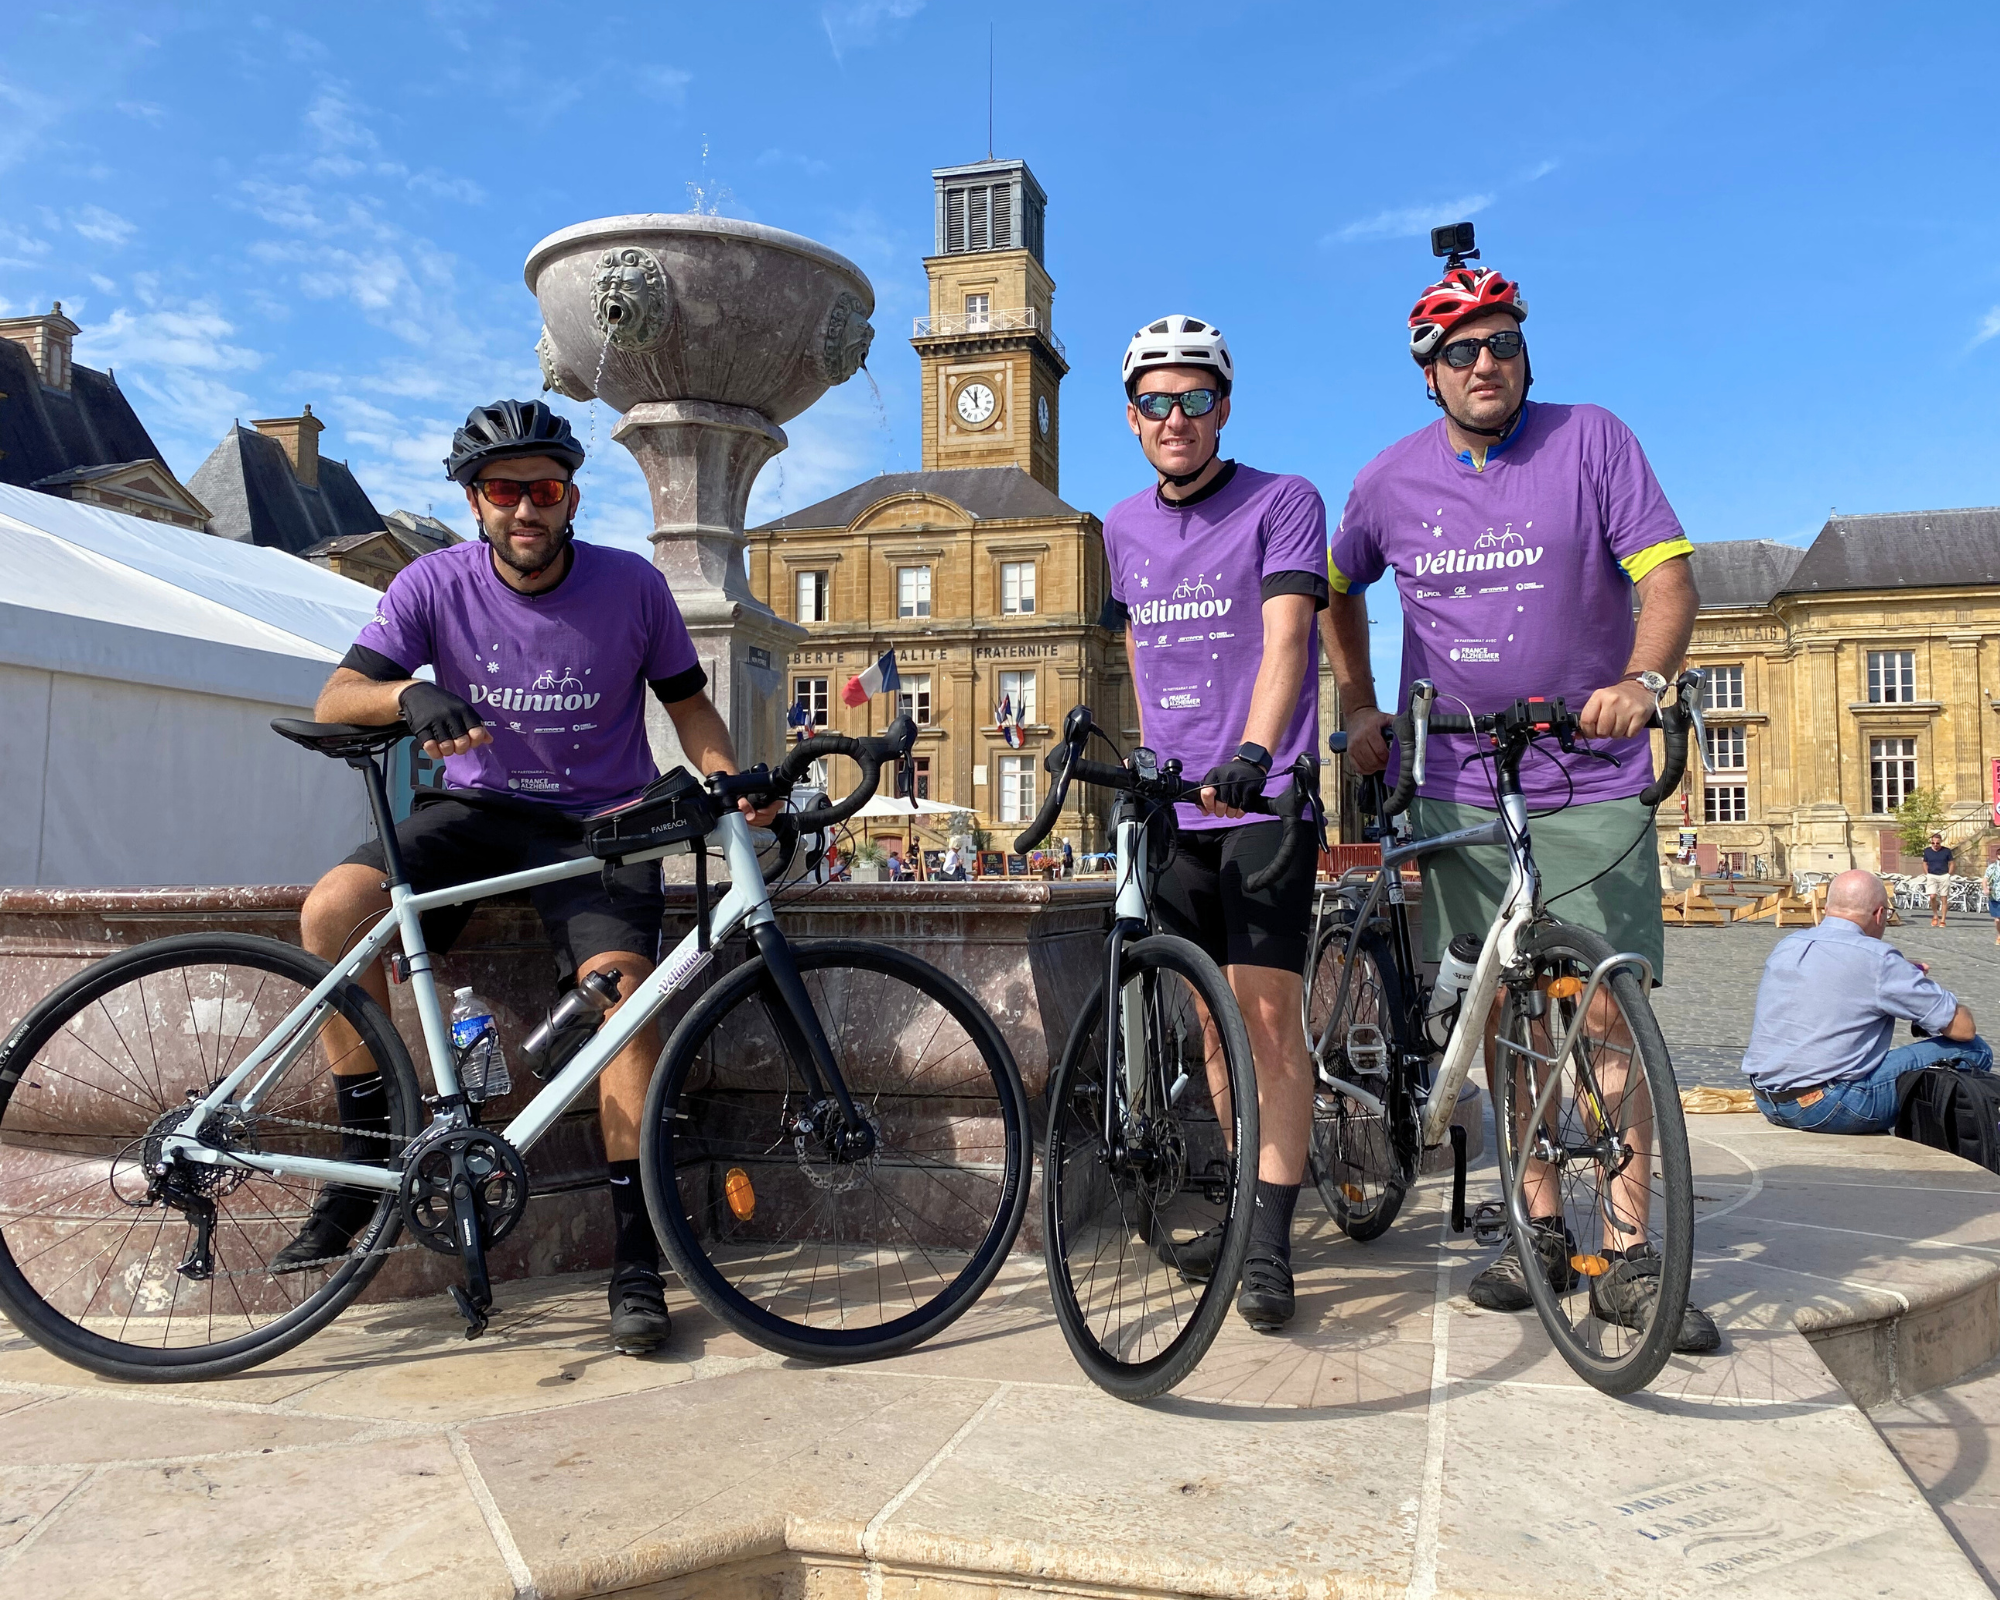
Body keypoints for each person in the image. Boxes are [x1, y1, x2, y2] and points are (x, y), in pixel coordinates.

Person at [289, 398, 778, 1356]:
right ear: (475, 500)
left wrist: (730, 791)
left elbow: (691, 710)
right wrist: (411, 692)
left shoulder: (632, 587)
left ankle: (637, 1258)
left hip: (599, 830)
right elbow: (337, 700)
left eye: (543, 489)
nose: (525, 508)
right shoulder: (432, 581)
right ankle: (360, 1159)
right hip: (475, 817)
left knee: (628, 1003)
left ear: (571, 498)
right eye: (504, 490)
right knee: (333, 910)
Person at [1323, 250, 1721, 1354]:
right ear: (1428, 373)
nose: (1484, 361)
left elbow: (1665, 578)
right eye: (1461, 350)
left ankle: (1632, 1254)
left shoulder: (1589, 438)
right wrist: (1359, 701)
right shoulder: (1386, 479)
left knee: (1601, 1011)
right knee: (1501, 1013)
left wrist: (1641, 683)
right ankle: (1537, 1226)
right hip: (1454, 774)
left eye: (1501, 341)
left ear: (1523, 350)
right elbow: (1330, 587)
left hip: (1583, 773)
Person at [1102, 314, 1329, 1332]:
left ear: (1222, 408)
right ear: (1132, 417)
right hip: (1171, 807)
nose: (1175, 417)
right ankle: (1243, 1199)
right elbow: (1140, 663)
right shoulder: (1117, 528)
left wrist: (1254, 747)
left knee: (1267, 1015)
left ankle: (1270, 1239)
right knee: (1206, 1019)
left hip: (1261, 796)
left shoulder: (1282, 501)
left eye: (1194, 398)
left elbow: (1288, 636)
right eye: (1155, 401)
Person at [1744, 870, 1991, 1132]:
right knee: (1975, 1050)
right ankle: (1938, 1132)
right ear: (1880, 914)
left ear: (1828, 908)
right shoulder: (1879, 959)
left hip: (1768, 1100)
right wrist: (1927, 989)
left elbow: (1843, 976)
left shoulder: (1789, 944)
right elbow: (1963, 1029)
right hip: (1829, 1107)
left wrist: (1901, 971)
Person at [1922, 832, 1955, 927]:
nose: (1935, 845)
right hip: (1932, 875)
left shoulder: (1946, 851)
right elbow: (1924, 863)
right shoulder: (1927, 851)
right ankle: (1935, 915)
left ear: (1940, 843)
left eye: (1937, 843)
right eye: (1933, 843)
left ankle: (1943, 919)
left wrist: (1949, 874)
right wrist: (1927, 874)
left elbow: (1952, 863)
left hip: (1944, 875)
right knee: (1932, 896)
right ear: (1931, 842)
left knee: (1944, 898)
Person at [1983, 853, 2000, 944]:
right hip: (1995, 895)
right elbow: (1985, 880)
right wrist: (1985, 888)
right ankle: (1999, 934)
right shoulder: (1992, 867)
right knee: (1997, 920)